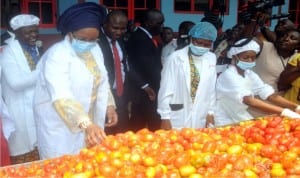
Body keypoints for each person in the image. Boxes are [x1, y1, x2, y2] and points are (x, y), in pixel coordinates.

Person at [33, 2, 118, 159]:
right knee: (62, 166)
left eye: (93, 39)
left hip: (90, 122)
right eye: (83, 39)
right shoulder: (57, 55)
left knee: (87, 164)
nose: (88, 43)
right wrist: (86, 124)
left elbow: (102, 79)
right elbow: (61, 96)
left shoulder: (95, 49)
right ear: (70, 34)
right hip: (59, 127)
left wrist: (109, 106)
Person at [215, 38, 300, 126]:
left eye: (253, 58)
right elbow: (248, 100)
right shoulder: (229, 75)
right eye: (245, 57)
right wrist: (284, 112)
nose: (249, 61)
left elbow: (268, 94)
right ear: (234, 57)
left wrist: (296, 107)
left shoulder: (249, 74)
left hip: (238, 115)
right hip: (223, 117)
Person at [157, 22, 217, 130]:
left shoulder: (211, 58)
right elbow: (165, 90)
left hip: (200, 114)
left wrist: (210, 112)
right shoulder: (175, 58)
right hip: (178, 114)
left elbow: (211, 89)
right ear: (192, 39)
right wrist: (165, 117)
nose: (202, 47)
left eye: (207, 45)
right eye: (199, 43)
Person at [0, 14, 40, 164]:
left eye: (35, 31)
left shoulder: (34, 48)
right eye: (28, 32)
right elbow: (16, 83)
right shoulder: (8, 52)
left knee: (38, 149)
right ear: (16, 33)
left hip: (35, 104)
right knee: (21, 150)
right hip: (18, 107)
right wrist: (43, 71)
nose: (33, 35)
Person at [125, 9, 164, 132]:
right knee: (145, 125)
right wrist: (146, 85)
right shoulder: (139, 39)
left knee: (140, 122)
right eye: (160, 23)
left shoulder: (147, 38)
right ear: (149, 23)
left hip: (148, 89)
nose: (162, 26)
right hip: (145, 91)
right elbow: (137, 66)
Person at [98, 10, 130, 134]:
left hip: (121, 93)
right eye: (115, 28)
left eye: (123, 29)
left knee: (122, 129)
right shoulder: (96, 41)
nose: (119, 32)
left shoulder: (120, 41)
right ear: (105, 24)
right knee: (107, 129)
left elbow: (123, 65)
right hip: (105, 94)